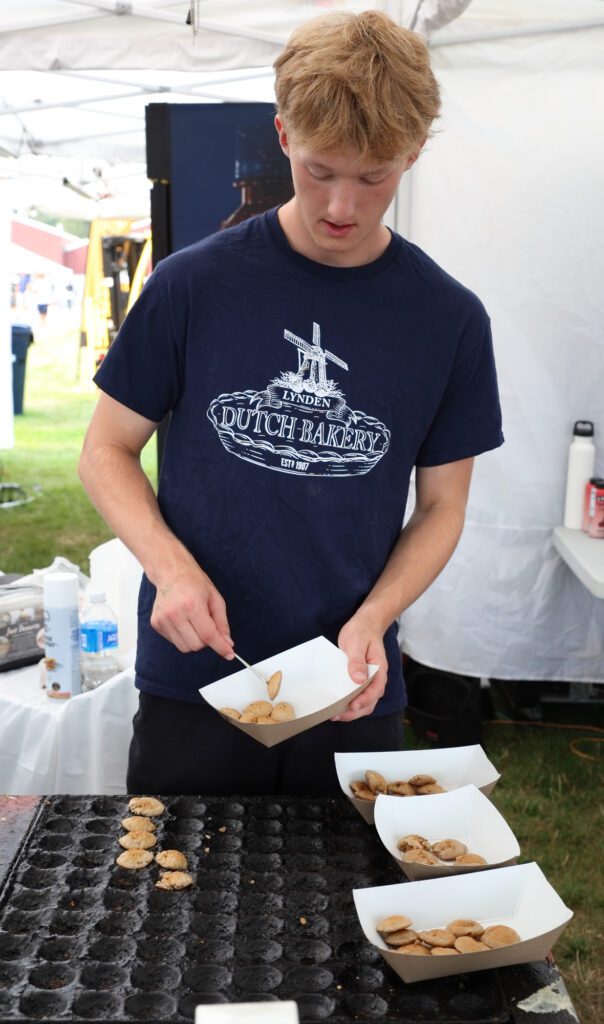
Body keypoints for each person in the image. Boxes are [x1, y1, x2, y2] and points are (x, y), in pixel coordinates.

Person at [78, 10, 503, 796]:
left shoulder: (448, 319)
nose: (341, 206)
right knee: (173, 905)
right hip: (196, 674)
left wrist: (376, 618)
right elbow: (105, 449)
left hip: (351, 681)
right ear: (282, 135)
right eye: (319, 170)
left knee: (337, 913)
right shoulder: (191, 285)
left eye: (373, 177)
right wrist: (169, 570)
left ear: (414, 153)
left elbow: (442, 505)